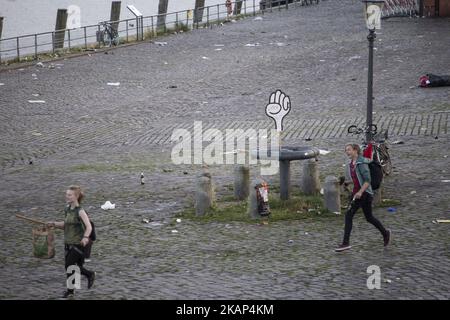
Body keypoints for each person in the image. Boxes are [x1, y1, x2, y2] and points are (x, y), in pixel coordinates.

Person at [335, 144, 391, 252]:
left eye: (349, 150)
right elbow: (358, 178)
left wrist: (360, 192)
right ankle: (385, 233)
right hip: (358, 193)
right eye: (346, 150)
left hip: (363, 194)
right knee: (369, 217)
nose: (347, 152)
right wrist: (347, 183)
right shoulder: (352, 163)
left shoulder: (362, 163)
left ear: (356, 150)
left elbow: (367, 180)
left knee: (348, 215)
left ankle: (345, 243)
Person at [48, 185, 96, 298]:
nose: (67, 196)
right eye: (66, 194)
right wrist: (54, 224)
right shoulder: (67, 209)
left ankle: (90, 274)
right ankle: (71, 291)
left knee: (69, 265)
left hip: (79, 244)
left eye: (69, 195)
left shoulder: (80, 211)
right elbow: (65, 225)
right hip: (68, 242)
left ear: (76, 196)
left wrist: (85, 238)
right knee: (74, 267)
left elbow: (89, 227)